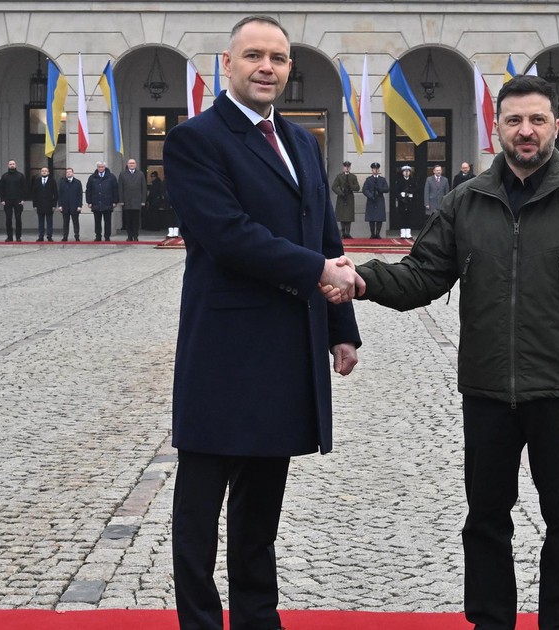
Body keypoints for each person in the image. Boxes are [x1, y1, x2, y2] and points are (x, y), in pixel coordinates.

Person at [346, 75, 559, 630]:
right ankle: (489, 622)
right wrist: (361, 281)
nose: (524, 131)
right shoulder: (466, 202)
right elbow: (422, 277)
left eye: (535, 120)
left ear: (556, 125)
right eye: (513, 121)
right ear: (496, 128)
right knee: (484, 519)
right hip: (486, 390)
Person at [162, 15, 362, 630]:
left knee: (262, 506)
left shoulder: (303, 142)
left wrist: (342, 327)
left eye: (278, 57)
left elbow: (324, 234)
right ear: (228, 64)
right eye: (254, 56)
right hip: (223, 349)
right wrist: (319, 271)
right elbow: (227, 236)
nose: (267, 67)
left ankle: (256, 616)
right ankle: (199, 619)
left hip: (285, 345)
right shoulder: (195, 139)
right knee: (200, 504)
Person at [85, 161, 119, 241]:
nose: (101, 168)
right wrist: (89, 202)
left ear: (105, 167)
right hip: (96, 203)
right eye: (99, 167)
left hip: (108, 202)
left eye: (102, 167)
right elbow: (88, 190)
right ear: (97, 168)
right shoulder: (92, 177)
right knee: (97, 221)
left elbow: (115, 190)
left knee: (107, 221)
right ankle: (98, 236)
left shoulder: (111, 177)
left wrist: (115, 201)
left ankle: (107, 236)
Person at [0, 159, 28, 242]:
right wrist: (2, 199)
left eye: (13, 164)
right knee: (8, 219)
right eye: (10, 164)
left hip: (18, 200)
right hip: (7, 200)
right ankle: (9, 237)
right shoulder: (4, 176)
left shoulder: (20, 176)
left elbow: (24, 188)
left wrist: (23, 199)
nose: (12, 165)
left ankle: (18, 237)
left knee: (18, 219)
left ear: (15, 165)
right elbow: (1, 189)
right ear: (8, 166)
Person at [119, 158, 147, 242]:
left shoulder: (140, 174)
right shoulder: (122, 174)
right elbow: (120, 188)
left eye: (133, 163)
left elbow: (144, 188)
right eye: (130, 163)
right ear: (127, 165)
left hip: (137, 201)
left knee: (136, 220)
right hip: (126, 201)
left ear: (136, 165)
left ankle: (135, 235)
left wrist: (143, 200)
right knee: (128, 220)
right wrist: (121, 200)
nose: (131, 165)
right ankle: (129, 236)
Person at [331, 160, 360, 239]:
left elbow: (357, 187)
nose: (346, 168)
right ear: (343, 167)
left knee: (349, 216)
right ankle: (343, 232)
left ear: (350, 168)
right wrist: (340, 192)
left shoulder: (353, 177)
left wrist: (350, 186)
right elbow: (334, 186)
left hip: (349, 197)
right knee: (342, 216)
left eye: (348, 167)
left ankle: (348, 232)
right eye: (345, 167)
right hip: (342, 198)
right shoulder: (339, 177)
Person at [362, 162, 389, 239]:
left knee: (379, 218)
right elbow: (364, 189)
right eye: (374, 169)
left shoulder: (382, 179)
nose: (375, 170)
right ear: (372, 170)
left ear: (378, 170)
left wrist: (380, 189)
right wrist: (370, 196)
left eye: (377, 169)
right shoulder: (368, 179)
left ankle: (377, 233)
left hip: (379, 199)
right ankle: (372, 233)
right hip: (371, 200)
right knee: (372, 218)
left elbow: (387, 189)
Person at [31, 166, 58, 242]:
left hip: (49, 204)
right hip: (40, 204)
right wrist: (34, 205)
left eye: (45, 171)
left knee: (49, 221)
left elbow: (55, 194)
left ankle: (49, 236)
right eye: (42, 171)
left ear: (48, 172)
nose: (44, 172)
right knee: (40, 221)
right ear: (40, 172)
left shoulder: (52, 181)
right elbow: (34, 194)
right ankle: (41, 236)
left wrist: (54, 205)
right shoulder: (37, 181)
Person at [57, 167, 83, 242]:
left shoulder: (77, 182)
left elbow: (80, 195)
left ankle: (77, 236)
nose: (68, 173)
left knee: (76, 222)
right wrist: (60, 205)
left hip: (75, 206)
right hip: (65, 206)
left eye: (70, 172)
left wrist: (79, 206)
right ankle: (65, 236)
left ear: (73, 173)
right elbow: (60, 195)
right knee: (65, 222)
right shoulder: (62, 182)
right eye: (67, 172)